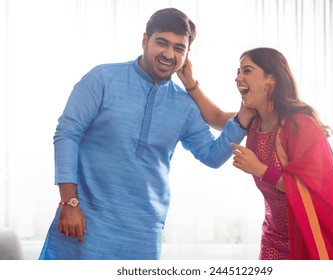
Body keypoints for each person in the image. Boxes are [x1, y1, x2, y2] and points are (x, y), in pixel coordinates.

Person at [38, 8, 254, 260]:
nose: (169, 54)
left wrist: (243, 118)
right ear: (144, 40)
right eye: (161, 43)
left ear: (187, 54)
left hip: (143, 234)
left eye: (178, 48)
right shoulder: (102, 78)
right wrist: (69, 203)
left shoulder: (184, 105)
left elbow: (211, 156)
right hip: (84, 221)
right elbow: (67, 134)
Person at [177, 47, 333, 260]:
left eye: (247, 71)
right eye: (238, 71)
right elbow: (216, 116)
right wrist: (189, 83)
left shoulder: (300, 125)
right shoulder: (254, 123)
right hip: (272, 238)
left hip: (308, 237)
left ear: (271, 81)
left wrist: (260, 169)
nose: (237, 77)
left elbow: (313, 186)